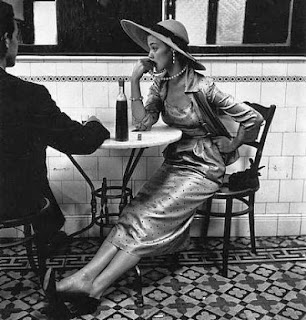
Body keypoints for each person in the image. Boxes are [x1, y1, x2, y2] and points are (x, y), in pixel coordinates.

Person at [43, 18, 264, 318]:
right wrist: (135, 80)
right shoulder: (160, 83)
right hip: (176, 162)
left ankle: (93, 285)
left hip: (204, 168)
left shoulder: (203, 87)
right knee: (134, 212)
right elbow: (142, 122)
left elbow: (253, 119)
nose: (149, 56)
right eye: (148, 48)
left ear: (173, 53)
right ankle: (86, 283)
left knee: (147, 219)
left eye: (155, 49)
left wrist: (235, 143)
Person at [0, 2, 110, 259]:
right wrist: (95, 124)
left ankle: (51, 232)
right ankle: (50, 235)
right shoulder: (28, 95)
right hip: (15, 202)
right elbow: (79, 142)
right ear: (5, 39)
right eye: (17, 35)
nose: (17, 43)